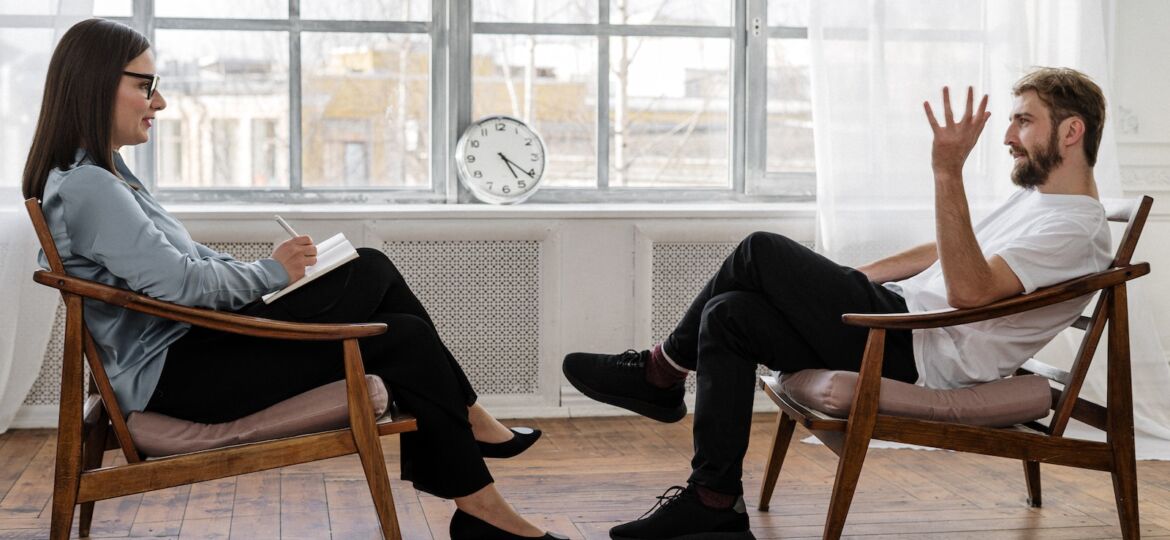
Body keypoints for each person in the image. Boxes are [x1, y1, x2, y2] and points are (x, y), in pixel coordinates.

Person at [23, 18, 566, 540]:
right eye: (147, 86)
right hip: (179, 375)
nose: (159, 103)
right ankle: (474, 458)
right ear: (96, 85)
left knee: (392, 314)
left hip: (190, 351)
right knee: (381, 289)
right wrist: (270, 273)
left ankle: (480, 503)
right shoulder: (91, 186)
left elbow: (184, 262)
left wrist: (269, 274)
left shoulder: (105, 177)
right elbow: (182, 285)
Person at [563, 67, 1113, 540]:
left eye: (1023, 120)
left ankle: (660, 374)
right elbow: (946, 249)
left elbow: (970, 291)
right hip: (898, 320)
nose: (1008, 136)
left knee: (761, 249)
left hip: (916, 352)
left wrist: (947, 171)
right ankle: (713, 502)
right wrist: (847, 279)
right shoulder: (1037, 202)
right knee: (727, 313)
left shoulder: (1075, 229)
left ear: (1071, 131)